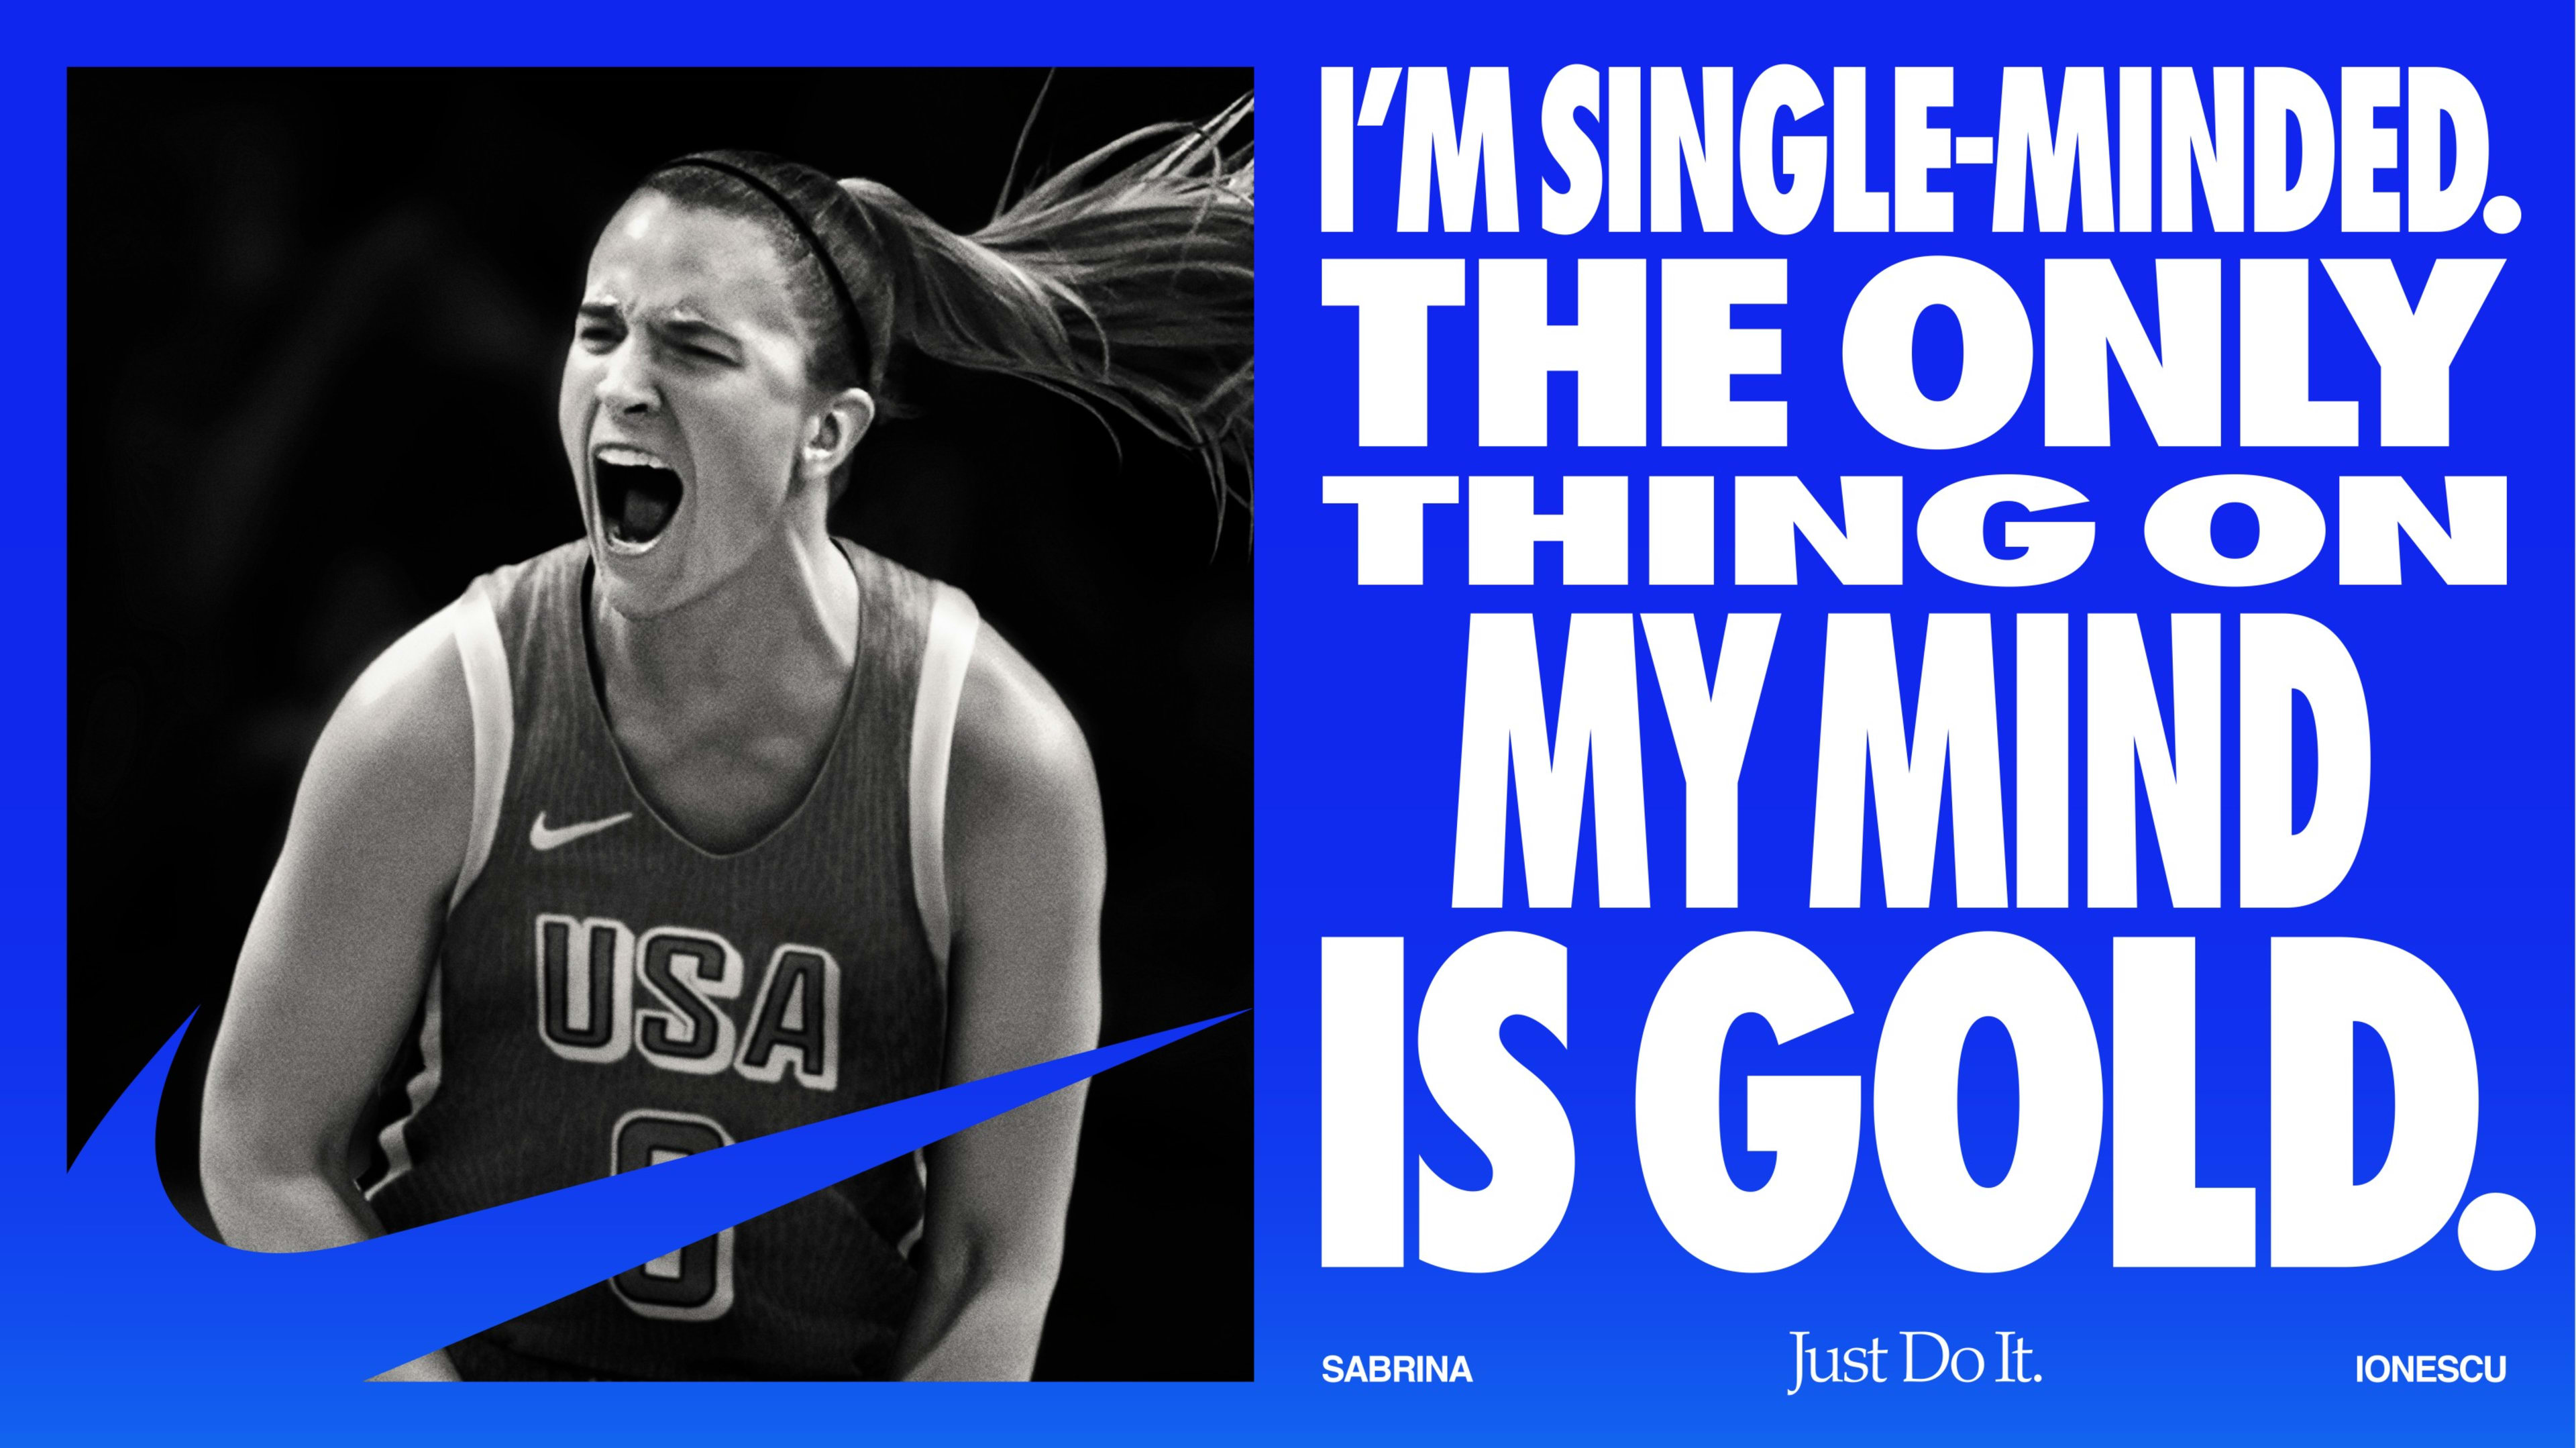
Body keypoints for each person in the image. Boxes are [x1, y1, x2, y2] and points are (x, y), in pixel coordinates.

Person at [195, 101, 1252, 1382]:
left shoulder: (998, 762)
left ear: (830, 431)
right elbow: (260, 1153)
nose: (622, 383)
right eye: (598, 333)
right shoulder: (435, 710)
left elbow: (992, 1264)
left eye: (693, 347)